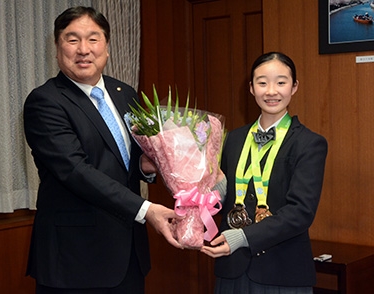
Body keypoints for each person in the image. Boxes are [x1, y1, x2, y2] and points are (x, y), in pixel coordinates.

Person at [23, 6, 182, 294]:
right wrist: (145, 210)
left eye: (93, 39)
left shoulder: (125, 94)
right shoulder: (45, 102)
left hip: (128, 255)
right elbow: (76, 171)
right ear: (57, 49)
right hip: (76, 260)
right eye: (72, 40)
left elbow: (126, 162)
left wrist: (147, 167)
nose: (83, 49)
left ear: (106, 48)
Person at [201, 52, 328, 293]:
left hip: (283, 271)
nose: (271, 91)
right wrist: (206, 191)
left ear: (294, 87)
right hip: (232, 270)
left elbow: (300, 212)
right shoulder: (234, 138)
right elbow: (229, 193)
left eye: (281, 82)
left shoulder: (309, 143)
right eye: (262, 82)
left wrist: (241, 238)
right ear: (251, 88)